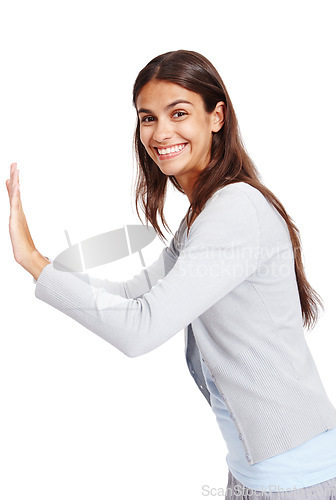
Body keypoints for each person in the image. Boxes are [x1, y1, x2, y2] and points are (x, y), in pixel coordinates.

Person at [6, 50, 336, 498]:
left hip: (294, 479)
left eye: (178, 113)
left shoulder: (236, 209)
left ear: (216, 116)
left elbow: (140, 329)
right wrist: (37, 261)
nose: (161, 133)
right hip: (257, 471)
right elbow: (133, 295)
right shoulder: (204, 215)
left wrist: (34, 262)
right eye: (147, 118)